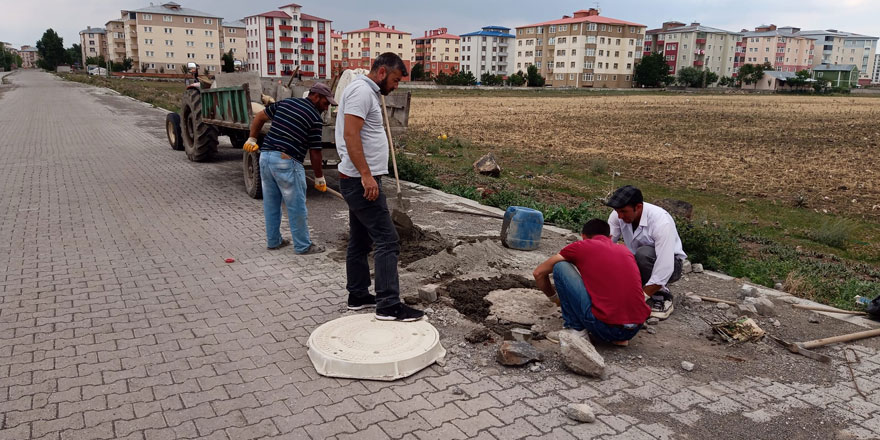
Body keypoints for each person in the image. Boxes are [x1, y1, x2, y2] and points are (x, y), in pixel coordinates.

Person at [335, 53, 424, 322]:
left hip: (359, 178)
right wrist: (367, 176)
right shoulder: (362, 92)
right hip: (361, 181)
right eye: (396, 80)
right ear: (382, 72)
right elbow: (351, 135)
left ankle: (358, 294)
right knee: (388, 240)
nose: (396, 86)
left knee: (361, 239)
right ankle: (388, 304)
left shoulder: (367, 91)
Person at [243, 83, 336, 254]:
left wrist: (252, 139)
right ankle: (303, 245)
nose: (327, 107)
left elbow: (259, 117)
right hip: (286, 161)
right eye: (325, 102)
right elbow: (315, 151)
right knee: (296, 206)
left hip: (265, 158)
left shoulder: (286, 103)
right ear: (315, 96)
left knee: (271, 204)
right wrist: (319, 177)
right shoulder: (315, 118)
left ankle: (274, 241)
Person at [533, 219, 650, 346]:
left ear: (583, 236)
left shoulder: (580, 246)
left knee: (560, 266)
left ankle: (575, 331)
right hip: (633, 328)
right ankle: (619, 339)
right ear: (610, 237)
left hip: (604, 327)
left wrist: (555, 298)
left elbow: (538, 273)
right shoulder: (625, 251)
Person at [606, 185, 687, 319]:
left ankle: (662, 296)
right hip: (638, 261)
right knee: (617, 252)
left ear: (638, 207)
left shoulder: (661, 222)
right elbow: (606, 244)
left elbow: (665, 265)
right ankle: (637, 288)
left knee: (644, 254)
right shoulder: (618, 214)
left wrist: (640, 298)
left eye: (623, 212)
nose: (619, 216)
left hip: (671, 265)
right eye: (617, 211)